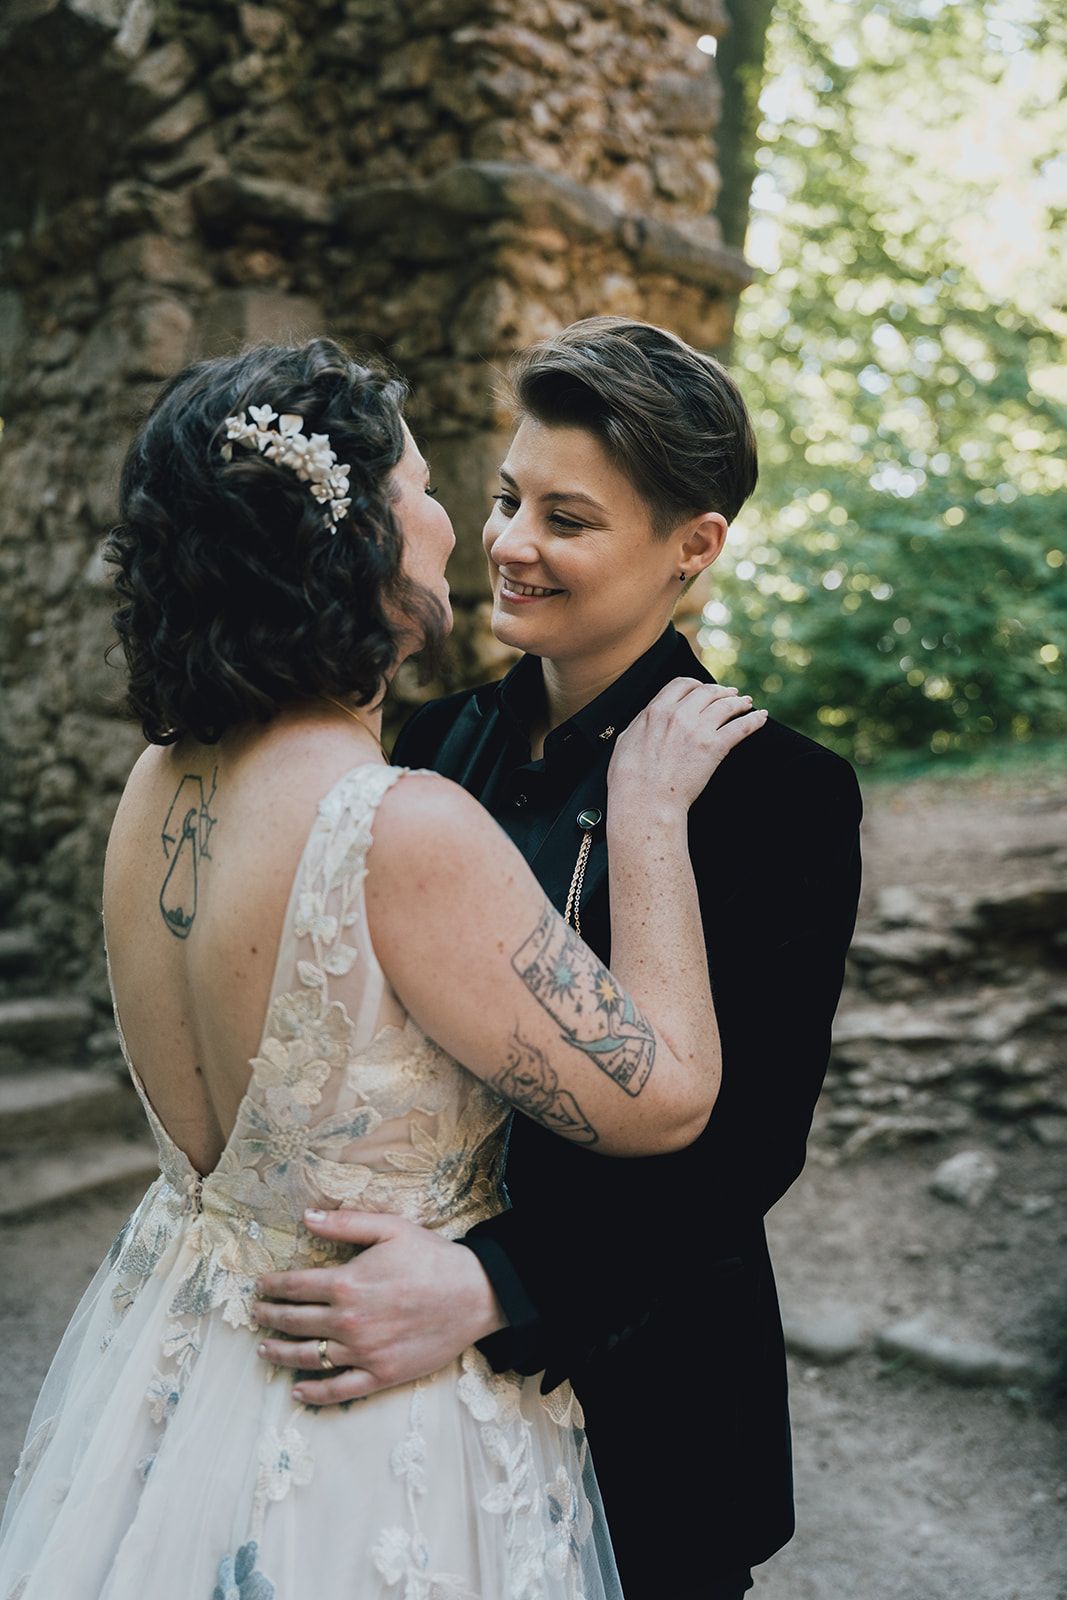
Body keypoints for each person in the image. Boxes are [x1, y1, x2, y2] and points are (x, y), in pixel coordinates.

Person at [0, 336, 766, 1599]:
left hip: (186, 1371)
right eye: (426, 488)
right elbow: (672, 1095)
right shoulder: (398, 820)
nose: (467, 528)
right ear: (354, 538)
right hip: (369, 1429)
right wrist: (642, 817)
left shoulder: (157, 783)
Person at [253, 318, 864, 1599]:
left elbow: (749, 1141)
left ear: (692, 546)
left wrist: (493, 1284)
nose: (511, 543)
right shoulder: (431, 743)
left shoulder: (777, 791)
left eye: (566, 519)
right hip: (413, 1386)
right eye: (504, 499)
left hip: (644, 1376)